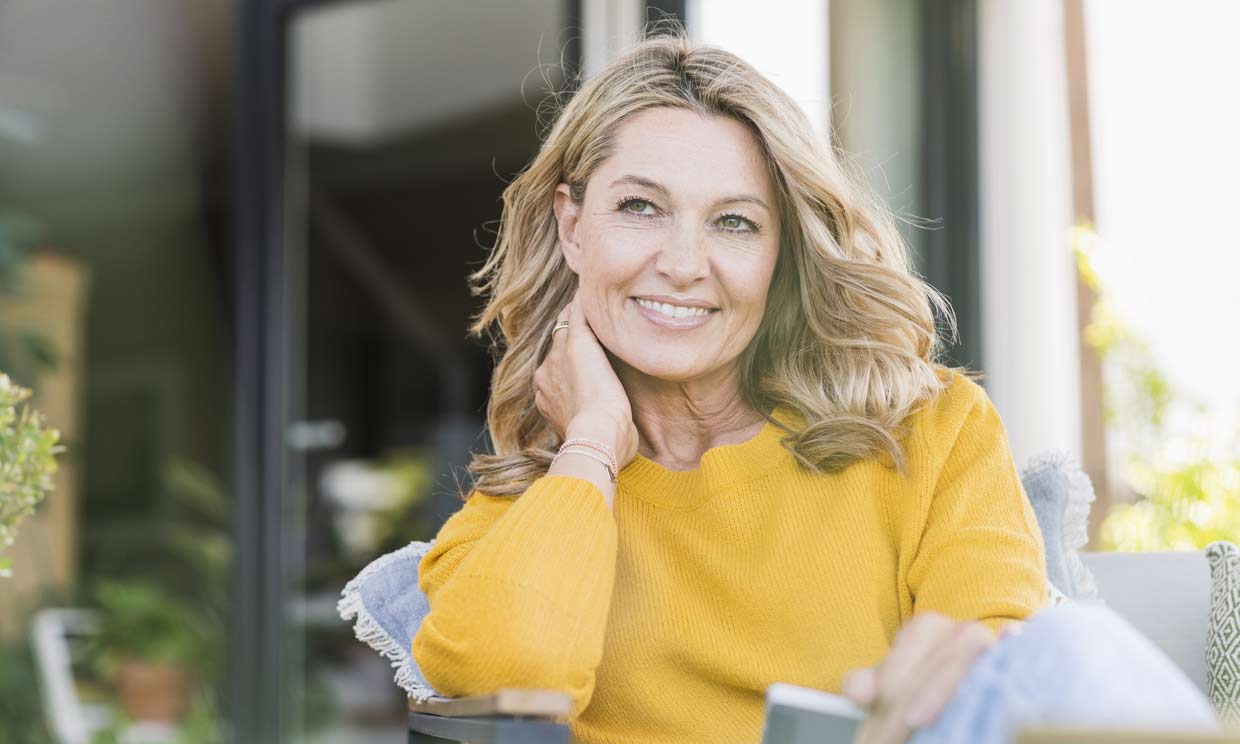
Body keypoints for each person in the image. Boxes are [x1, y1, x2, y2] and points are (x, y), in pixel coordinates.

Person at [410, 26, 1220, 744]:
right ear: (571, 224)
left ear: (781, 254)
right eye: (641, 207)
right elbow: (505, 678)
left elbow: (1002, 674)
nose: (685, 264)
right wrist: (589, 446)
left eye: (734, 222)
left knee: (1070, 648)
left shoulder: (930, 433)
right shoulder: (530, 512)